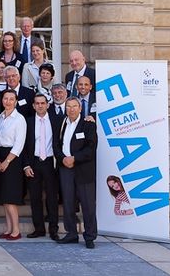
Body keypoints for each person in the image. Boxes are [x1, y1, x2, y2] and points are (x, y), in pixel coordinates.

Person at [56, 97, 98, 249]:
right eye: (68, 106)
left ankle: (90, 236)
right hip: (65, 169)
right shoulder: (61, 123)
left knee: (88, 205)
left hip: (83, 170)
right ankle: (72, 233)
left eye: (74, 106)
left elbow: (91, 148)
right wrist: (63, 159)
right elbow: (56, 144)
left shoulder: (88, 124)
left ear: (80, 108)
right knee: (68, 203)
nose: (71, 109)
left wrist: (74, 158)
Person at [23, 94, 60, 240]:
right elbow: (24, 146)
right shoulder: (28, 122)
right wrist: (26, 165)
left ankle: (53, 230)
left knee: (52, 197)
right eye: (37, 103)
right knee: (35, 197)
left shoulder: (56, 121)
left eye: (43, 103)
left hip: (51, 162)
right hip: (34, 162)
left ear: (47, 105)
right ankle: (39, 229)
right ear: (33, 106)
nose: (40, 106)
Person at [0, 89, 27, 241]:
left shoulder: (19, 119)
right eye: (5, 98)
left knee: (11, 197)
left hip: (12, 159)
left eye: (11, 99)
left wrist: (7, 161)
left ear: (16, 101)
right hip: (0, 156)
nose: (8, 101)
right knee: (4, 197)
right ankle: (8, 228)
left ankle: (16, 230)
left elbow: (19, 144)